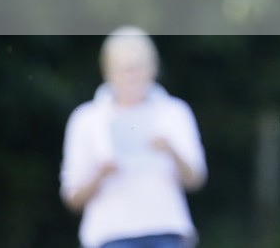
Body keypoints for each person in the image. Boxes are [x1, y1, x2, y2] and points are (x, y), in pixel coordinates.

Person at [60, 26, 207, 248]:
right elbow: (72, 197)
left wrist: (171, 150)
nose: (132, 75)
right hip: (109, 235)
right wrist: (101, 173)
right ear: (108, 71)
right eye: (124, 69)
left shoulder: (175, 112)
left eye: (137, 67)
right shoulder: (86, 119)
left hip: (167, 232)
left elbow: (196, 179)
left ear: (153, 67)